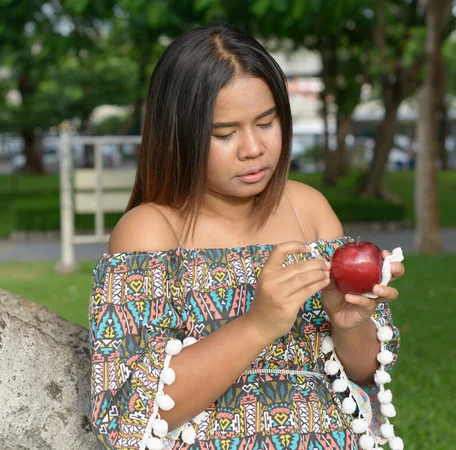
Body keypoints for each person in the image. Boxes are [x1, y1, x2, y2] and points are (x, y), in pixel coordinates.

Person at [89, 23, 405, 450]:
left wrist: (350, 323)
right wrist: (258, 325)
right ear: (178, 134)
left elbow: (365, 371)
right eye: (224, 134)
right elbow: (131, 414)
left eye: (266, 122)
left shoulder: (307, 210)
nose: (253, 148)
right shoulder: (150, 231)